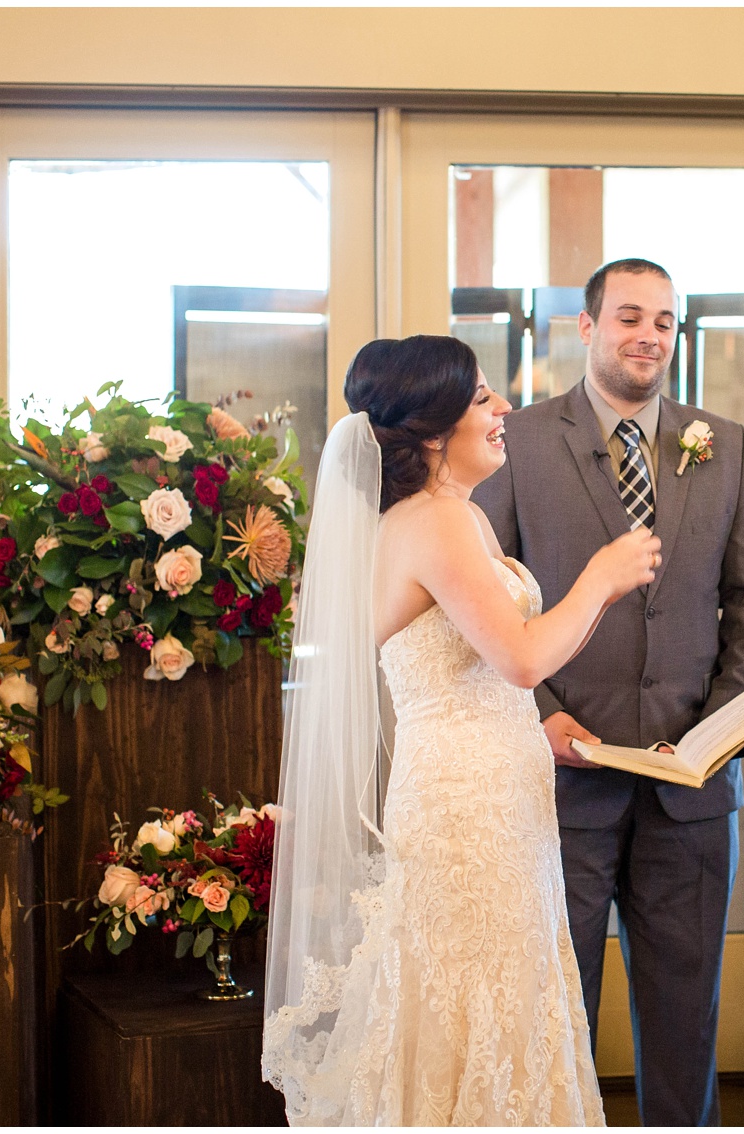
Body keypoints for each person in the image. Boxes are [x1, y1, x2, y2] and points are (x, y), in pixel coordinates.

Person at [262, 335, 661, 1125]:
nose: (505, 407)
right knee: (474, 1000)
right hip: (466, 814)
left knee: (501, 994)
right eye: (484, 398)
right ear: (436, 430)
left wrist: (536, 730)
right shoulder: (437, 523)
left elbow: (478, 670)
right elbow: (518, 658)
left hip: (495, 790)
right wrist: (602, 579)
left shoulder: (453, 518)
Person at [472, 258, 744, 1125]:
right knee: (555, 1013)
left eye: (664, 322)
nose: (649, 336)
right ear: (586, 326)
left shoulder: (722, 442)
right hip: (560, 783)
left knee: (685, 1017)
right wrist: (538, 718)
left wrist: (714, 736)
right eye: (630, 317)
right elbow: (481, 606)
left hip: (689, 790)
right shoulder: (518, 441)